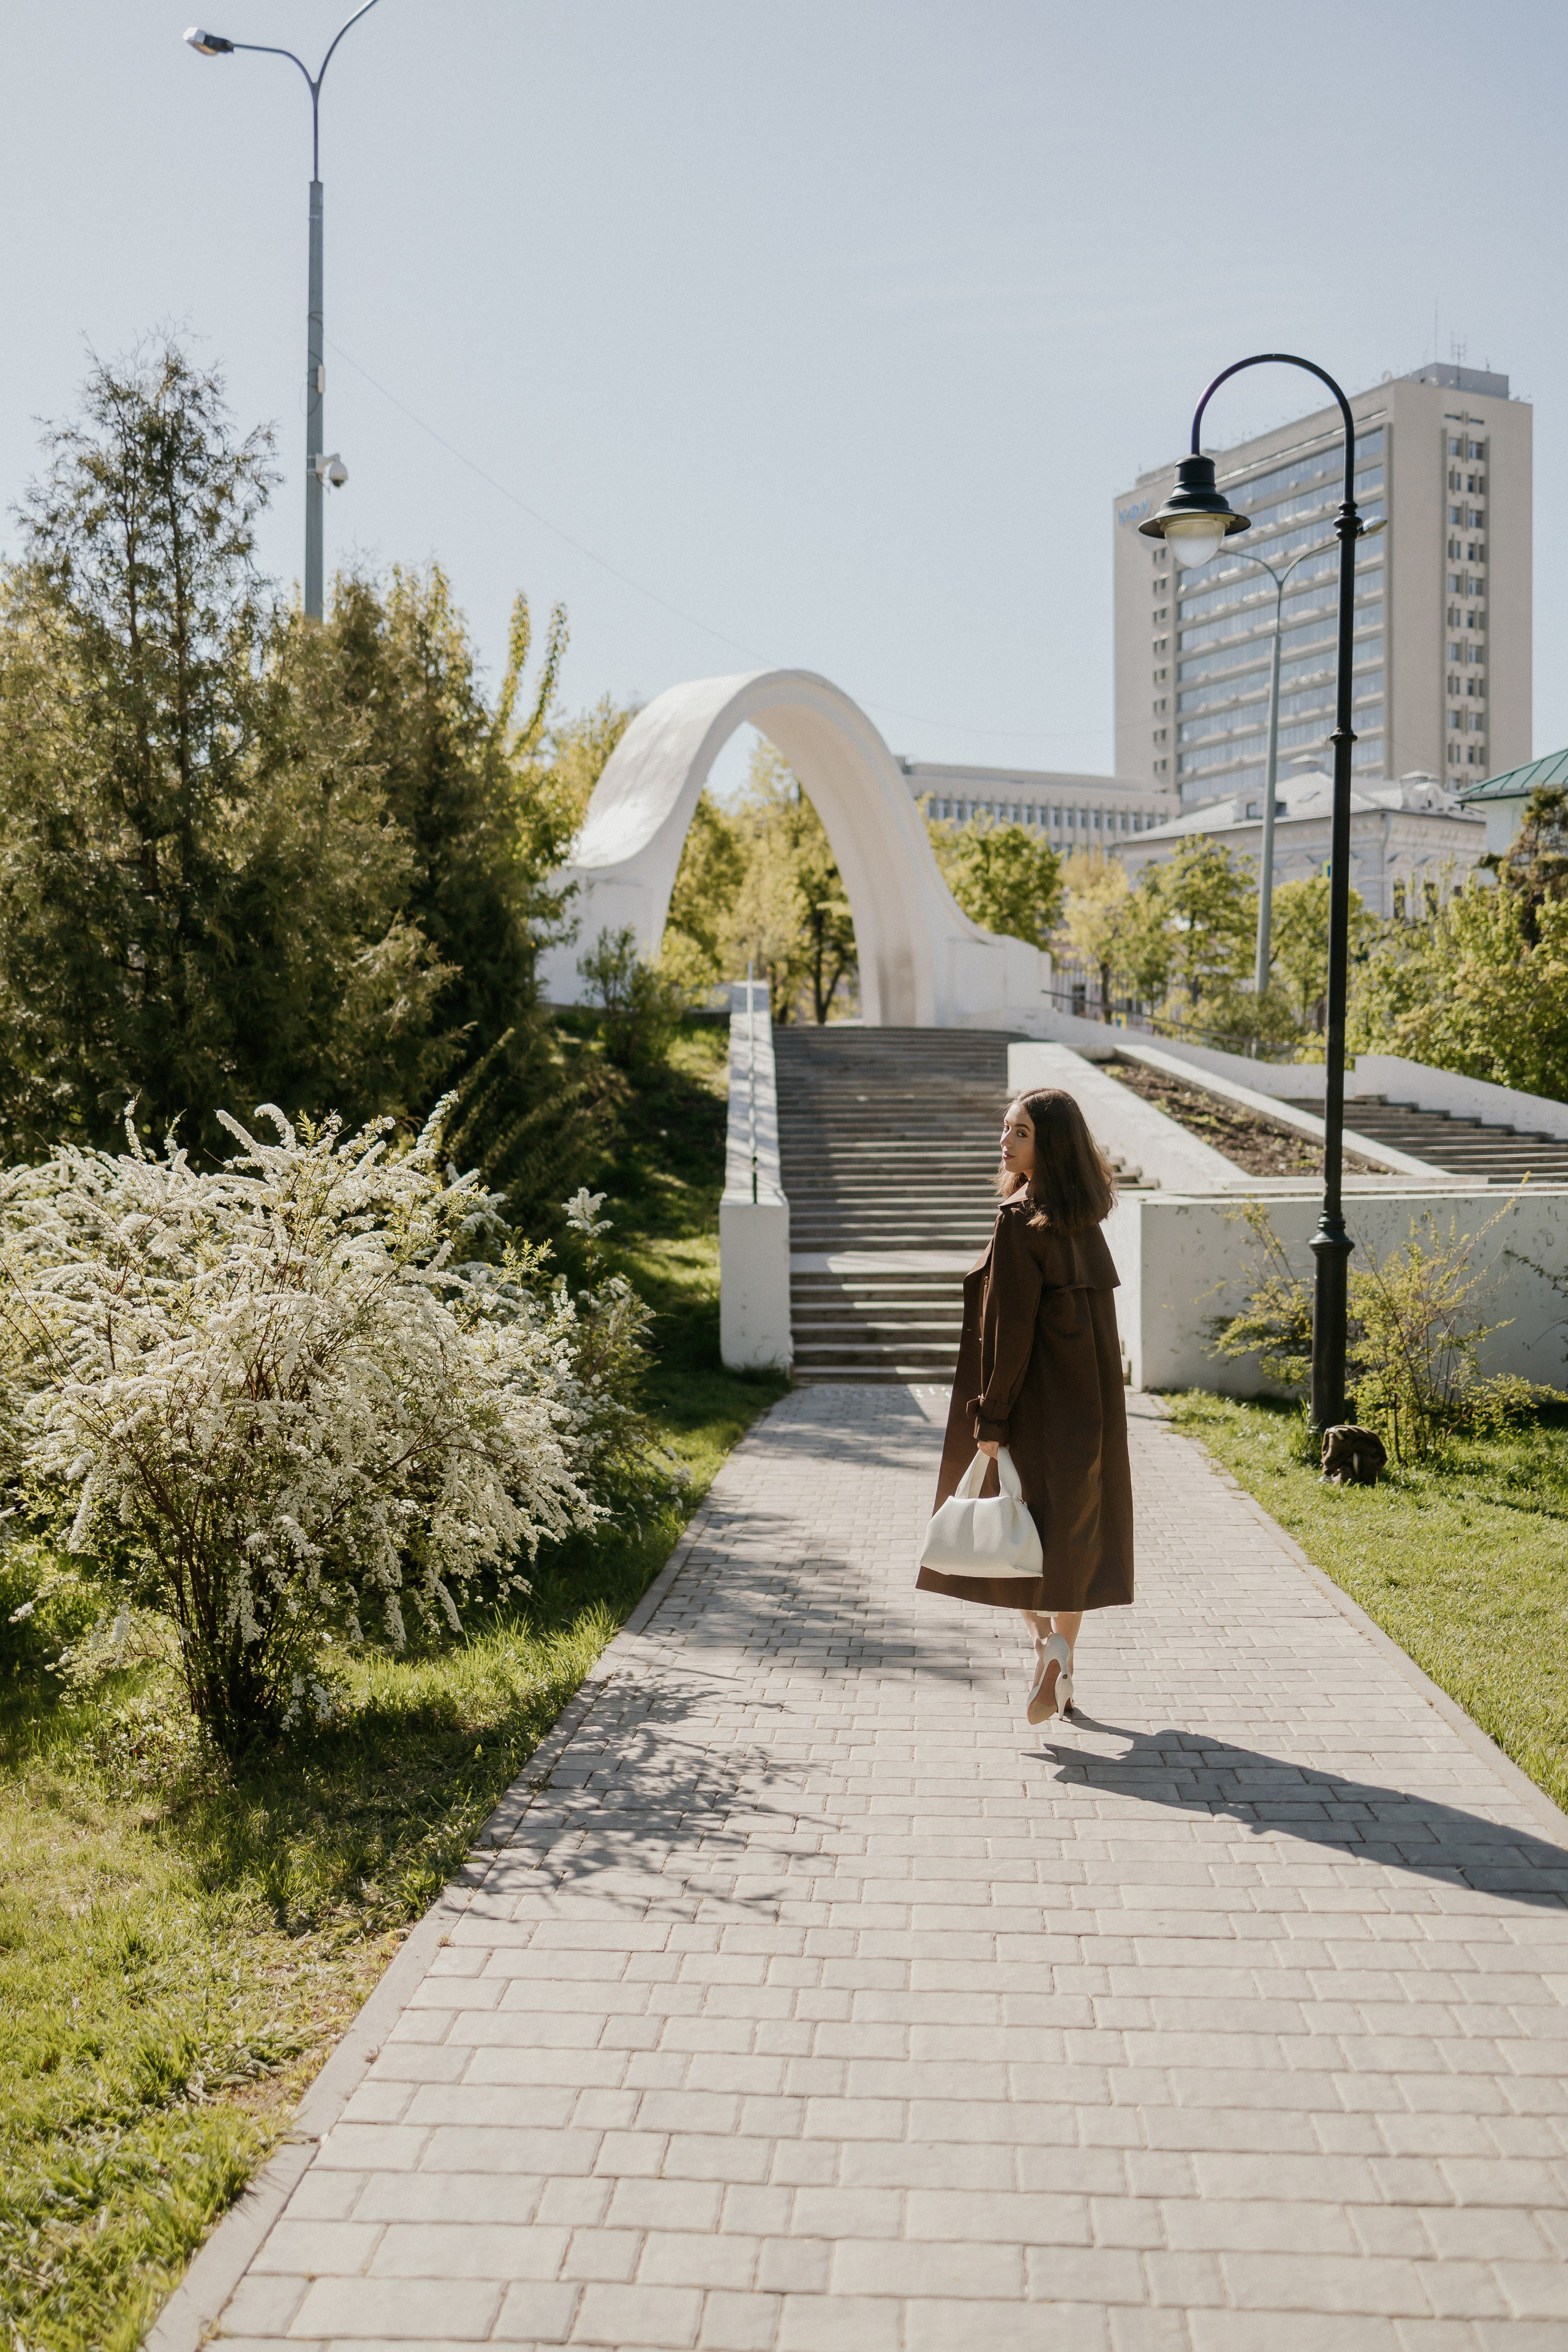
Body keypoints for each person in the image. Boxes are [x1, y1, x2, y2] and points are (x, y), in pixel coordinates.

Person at [917, 1085, 1134, 1724]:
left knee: (1010, 1532)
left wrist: (993, 1418)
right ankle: (1060, 1649)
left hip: (1032, 1406)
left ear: (1050, 1146)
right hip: (1088, 1405)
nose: (1004, 1143)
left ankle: (1043, 1642)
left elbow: (1010, 1331)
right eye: (1006, 1129)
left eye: (1019, 1134)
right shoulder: (1082, 1219)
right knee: (1069, 1533)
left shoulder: (1018, 1221)